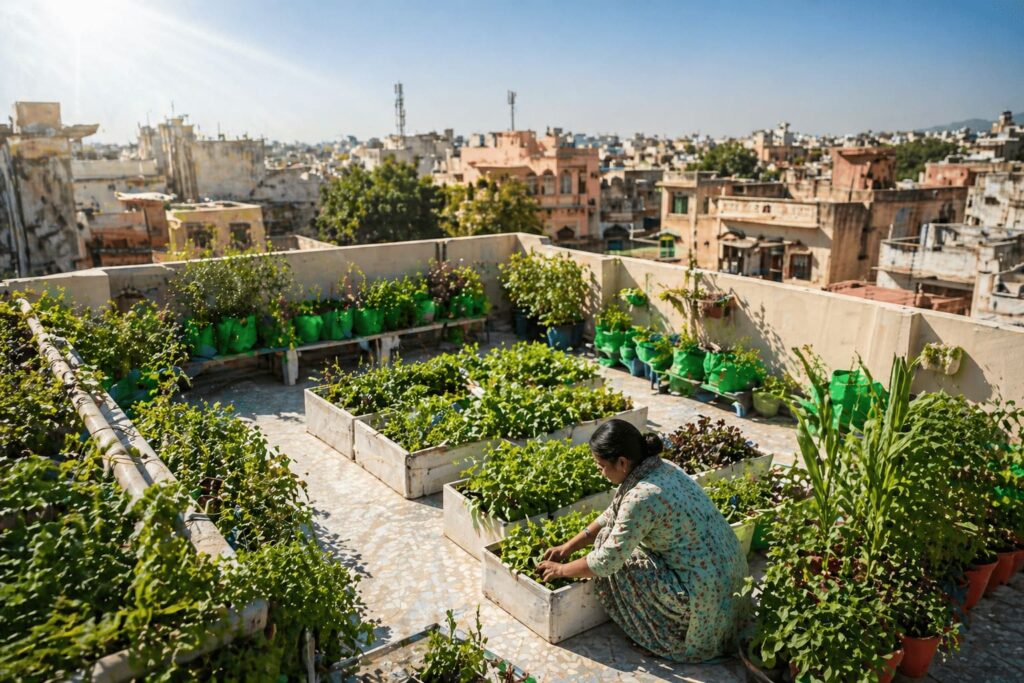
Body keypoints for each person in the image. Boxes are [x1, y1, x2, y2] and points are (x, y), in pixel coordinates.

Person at [537, 418, 749, 662]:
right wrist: (568, 547)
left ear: (623, 462)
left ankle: (664, 638)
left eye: (601, 466)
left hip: (703, 598)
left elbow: (606, 562)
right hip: (732, 575)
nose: (599, 472)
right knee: (617, 538)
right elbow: (613, 513)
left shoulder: (642, 497)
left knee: (619, 560)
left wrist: (562, 570)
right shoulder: (660, 467)